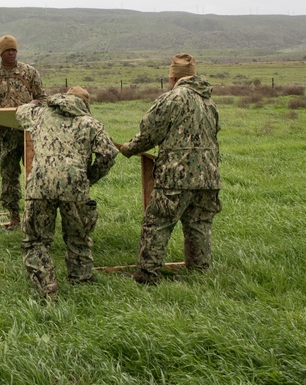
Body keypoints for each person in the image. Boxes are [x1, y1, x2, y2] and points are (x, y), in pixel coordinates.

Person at [117, 53, 222, 285]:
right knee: (199, 225)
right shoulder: (209, 102)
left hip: (176, 176)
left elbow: (149, 134)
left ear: (173, 77)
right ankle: (198, 273)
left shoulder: (171, 99)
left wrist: (128, 149)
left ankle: (147, 275)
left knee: (157, 223)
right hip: (209, 177)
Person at [15, 87, 119, 298]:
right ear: (85, 105)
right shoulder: (91, 124)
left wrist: (34, 103)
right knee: (78, 237)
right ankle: (81, 281)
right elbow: (108, 155)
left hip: (40, 186)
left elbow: (20, 112)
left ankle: (47, 286)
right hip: (76, 187)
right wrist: (89, 177)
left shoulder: (40, 114)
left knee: (36, 240)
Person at [0, 34, 46, 228]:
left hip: (30, 132)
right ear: (1, 53)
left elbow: (43, 97)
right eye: (8, 50)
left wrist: (34, 103)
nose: (11, 53)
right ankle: (14, 217)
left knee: (35, 174)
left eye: (14, 50)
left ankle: (36, 216)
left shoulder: (29, 72)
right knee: (9, 175)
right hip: (6, 133)